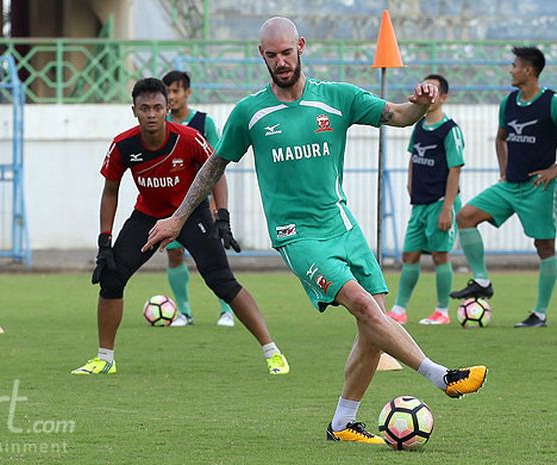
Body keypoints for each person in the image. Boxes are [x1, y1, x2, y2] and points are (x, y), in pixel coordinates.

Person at [144, 17, 487, 444]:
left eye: (287, 52)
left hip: (342, 224)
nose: (281, 61)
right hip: (296, 234)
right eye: (272, 55)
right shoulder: (250, 112)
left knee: (373, 324)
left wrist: (420, 102)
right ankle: (440, 376)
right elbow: (215, 164)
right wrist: (177, 218)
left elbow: (399, 115)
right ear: (261, 55)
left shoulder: (336, 98)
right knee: (365, 308)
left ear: (301, 47)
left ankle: (343, 423)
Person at [71, 78, 289, 376]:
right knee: (111, 278)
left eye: (157, 107)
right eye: (144, 108)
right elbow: (110, 191)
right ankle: (104, 358)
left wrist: (222, 216)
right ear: (133, 110)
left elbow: (216, 173)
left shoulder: (188, 138)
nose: (151, 114)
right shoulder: (123, 145)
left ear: (167, 108)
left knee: (222, 281)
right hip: (147, 217)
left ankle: (272, 352)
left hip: (190, 215)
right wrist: (104, 241)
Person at [450, 46, 557, 328]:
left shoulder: (552, 102)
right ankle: (482, 281)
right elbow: (500, 139)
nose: (510, 69)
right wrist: (503, 170)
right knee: (465, 217)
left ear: (529, 70)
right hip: (509, 186)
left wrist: (553, 170)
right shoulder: (508, 103)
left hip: (539, 187)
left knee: (544, 246)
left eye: (514, 65)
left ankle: (540, 314)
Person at [387, 74, 464, 326]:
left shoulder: (449, 130)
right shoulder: (418, 125)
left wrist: (447, 208)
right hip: (419, 205)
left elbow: (455, 169)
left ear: (443, 97)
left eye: (434, 91)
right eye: (425, 89)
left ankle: (442, 311)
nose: (429, 95)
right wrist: (410, 182)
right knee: (409, 255)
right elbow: (413, 157)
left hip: (440, 203)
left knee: (440, 256)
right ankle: (399, 309)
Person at [161, 70, 236, 327]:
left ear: (187, 93)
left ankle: (227, 310)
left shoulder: (203, 123)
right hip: (171, 205)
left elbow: (216, 164)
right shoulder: (162, 125)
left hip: (201, 205)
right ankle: (184, 313)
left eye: (176, 91)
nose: (171, 97)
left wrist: (216, 205)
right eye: (167, 91)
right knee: (174, 255)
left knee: (213, 258)